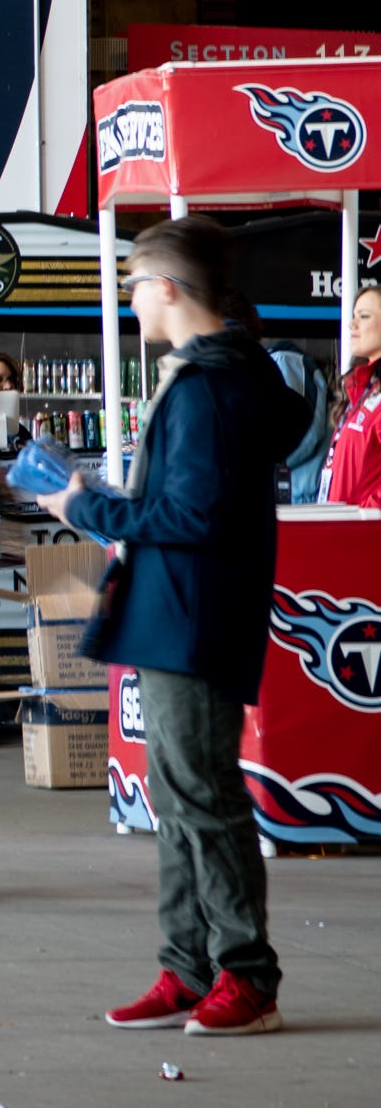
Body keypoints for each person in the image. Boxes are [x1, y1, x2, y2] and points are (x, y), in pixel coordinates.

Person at [38, 217, 306, 1037]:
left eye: (134, 284)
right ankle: (186, 968)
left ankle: (244, 977)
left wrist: (82, 505)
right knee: (180, 793)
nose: (131, 299)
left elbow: (189, 512)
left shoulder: (205, 388)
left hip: (191, 617)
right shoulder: (229, 375)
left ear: (165, 288)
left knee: (203, 794)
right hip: (186, 613)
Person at [320, 284, 381, 510]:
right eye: (354, 316)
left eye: (364, 316)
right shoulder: (361, 388)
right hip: (343, 531)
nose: (352, 325)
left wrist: (364, 516)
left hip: (364, 537)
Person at [270, 339, 335, 507]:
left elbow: (305, 432)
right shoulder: (280, 363)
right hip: (296, 494)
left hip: (300, 496)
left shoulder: (284, 362)